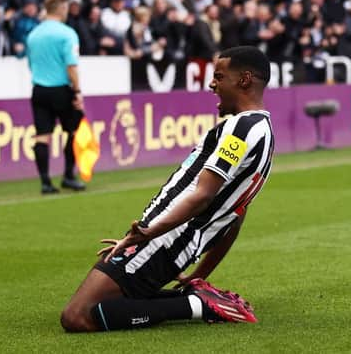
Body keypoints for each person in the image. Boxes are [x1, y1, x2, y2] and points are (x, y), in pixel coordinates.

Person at [60, 45, 275, 332]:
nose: (212, 84)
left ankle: (196, 305)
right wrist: (200, 273)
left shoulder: (242, 129)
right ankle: (198, 298)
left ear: (244, 80)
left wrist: (150, 233)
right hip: (168, 240)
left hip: (165, 238)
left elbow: (203, 195)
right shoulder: (263, 134)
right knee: (110, 301)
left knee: (78, 316)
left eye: (219, 77)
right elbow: (236, 213)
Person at [26, 0, 87, 194]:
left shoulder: (33, 34)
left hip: (39, 89)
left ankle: (45, 182)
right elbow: (71, 66)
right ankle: (68, 175)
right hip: (61, 89)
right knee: (72, 130)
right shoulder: (67, 33)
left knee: (42, 136)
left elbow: (30, 64)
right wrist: (77, 91)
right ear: (61, 9)